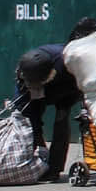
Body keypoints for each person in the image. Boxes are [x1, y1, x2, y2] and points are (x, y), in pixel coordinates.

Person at [13, 43, 83, 182]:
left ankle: (54, 169)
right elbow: (23, 106)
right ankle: (34, 164)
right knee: (30, 123)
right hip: (35, 89)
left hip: (66, 88)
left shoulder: (68, 61)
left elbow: (82, 84)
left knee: (61, 119)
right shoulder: (24, 72)